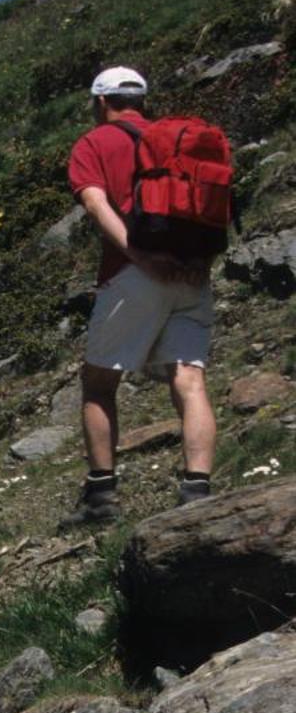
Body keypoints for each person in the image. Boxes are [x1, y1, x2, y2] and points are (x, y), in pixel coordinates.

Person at [63, 65, 218, 524]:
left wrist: (139, 255)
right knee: (189, 381)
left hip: (134, 274)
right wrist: (198, 264)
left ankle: (102, 496)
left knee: (99, 382)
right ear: (141, 100)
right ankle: (197, 489)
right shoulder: (180, 139)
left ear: (100, 102)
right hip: (193, 275)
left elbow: (95, 202)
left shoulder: (95, 142)